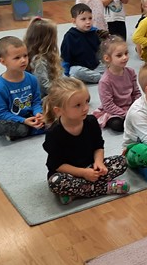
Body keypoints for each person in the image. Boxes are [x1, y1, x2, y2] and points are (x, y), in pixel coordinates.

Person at [42, 76, 129, 205]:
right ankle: (105, 188)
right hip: (69, 174)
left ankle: (77, 192)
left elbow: (98, 146)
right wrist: (83, 173)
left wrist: (99, 163)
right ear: (59, 111)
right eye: (78, 105)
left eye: (86, 101)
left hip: (91, 168)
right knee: (56, 182)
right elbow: (57, 165)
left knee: (121, 161)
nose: (85, 108)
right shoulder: (54, 133)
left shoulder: (91, 122)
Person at [0, 36, 44, 141]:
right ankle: (30, 130)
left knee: (54, 107)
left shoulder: (32, 79)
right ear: (3, 61)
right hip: (12, 119)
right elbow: (2, 113)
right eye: (17, 58)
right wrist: (23, 121)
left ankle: (29, 130)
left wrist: (38, 114)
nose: (23, 60)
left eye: (25, 56)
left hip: (29, 115)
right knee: (0, 127)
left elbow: (36, 101)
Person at [92, 36, 141, 133]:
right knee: (117, 124)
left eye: (126, 53)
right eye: (119, 55)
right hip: (115, 111)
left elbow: (136, 93)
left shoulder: (131, 72)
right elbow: (108, 105)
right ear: (107, 58)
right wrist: (125, 114)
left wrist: (137, 106)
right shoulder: (105, 81)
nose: (125, 57)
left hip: (130, 106)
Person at [61, 3, 106, 83]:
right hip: (79, 67)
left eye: (90, 18)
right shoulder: (70, 36)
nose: (88, 22)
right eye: (83, 19)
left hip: (95, 66)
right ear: (74, 21)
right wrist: (66, 74)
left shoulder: (94, 32)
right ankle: (103, 79)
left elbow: (100, 52)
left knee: (113, 66)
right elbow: (65, 57)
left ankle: (94, 77)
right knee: (74, 71)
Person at [24, 17, 62, 97]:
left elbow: (59, 75)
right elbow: (44, 86)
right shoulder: (39, 61)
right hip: (42, 97)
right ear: (48, 40)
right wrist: (61, 92)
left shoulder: (47, 55)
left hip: (51, 90)